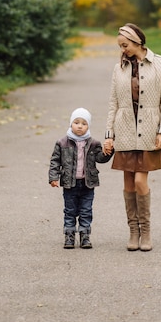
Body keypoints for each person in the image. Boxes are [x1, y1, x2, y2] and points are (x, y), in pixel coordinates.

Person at [104, 23, 161, 252]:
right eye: (121, 46)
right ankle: (133, 232)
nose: (123, 50)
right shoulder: (119, 69)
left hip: (148, 132)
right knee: (127, 183)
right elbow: (113, 103)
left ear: (137, 42)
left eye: (125, 45)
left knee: (140, 181)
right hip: (124, 131)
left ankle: (146, 231)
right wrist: (109, 135)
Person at [49, 107, 113, 249]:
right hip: (69, 184)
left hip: (87, 184)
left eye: (84, 123)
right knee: (70, 211)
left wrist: (108, 151)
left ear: (88, 126)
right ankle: (69, 236)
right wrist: (53, 177)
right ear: (71, 124)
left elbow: (100, 158)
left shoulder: (94, 143)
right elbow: (55, 161)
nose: (79, 126)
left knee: (86, 210)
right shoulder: (62, 142)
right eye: (76, 122)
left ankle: (85, 236)